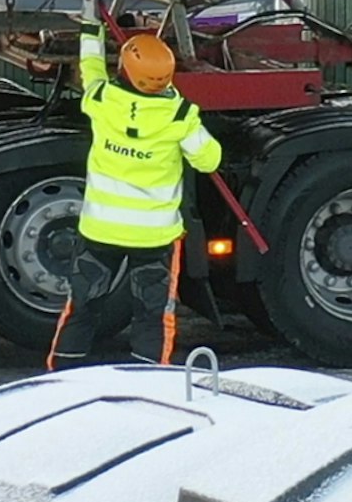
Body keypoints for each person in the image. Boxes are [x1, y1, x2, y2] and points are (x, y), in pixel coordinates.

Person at [48, 30, 222, 368]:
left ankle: (62, 373)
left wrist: (91, 29)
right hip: (155, 238)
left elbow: (91, 67)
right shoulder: (179, 116)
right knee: (152, 315)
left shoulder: (101, 100)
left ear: (125, 71)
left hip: (100, 231)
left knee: (82, 306)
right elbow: (209, 160)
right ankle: (149, 378)